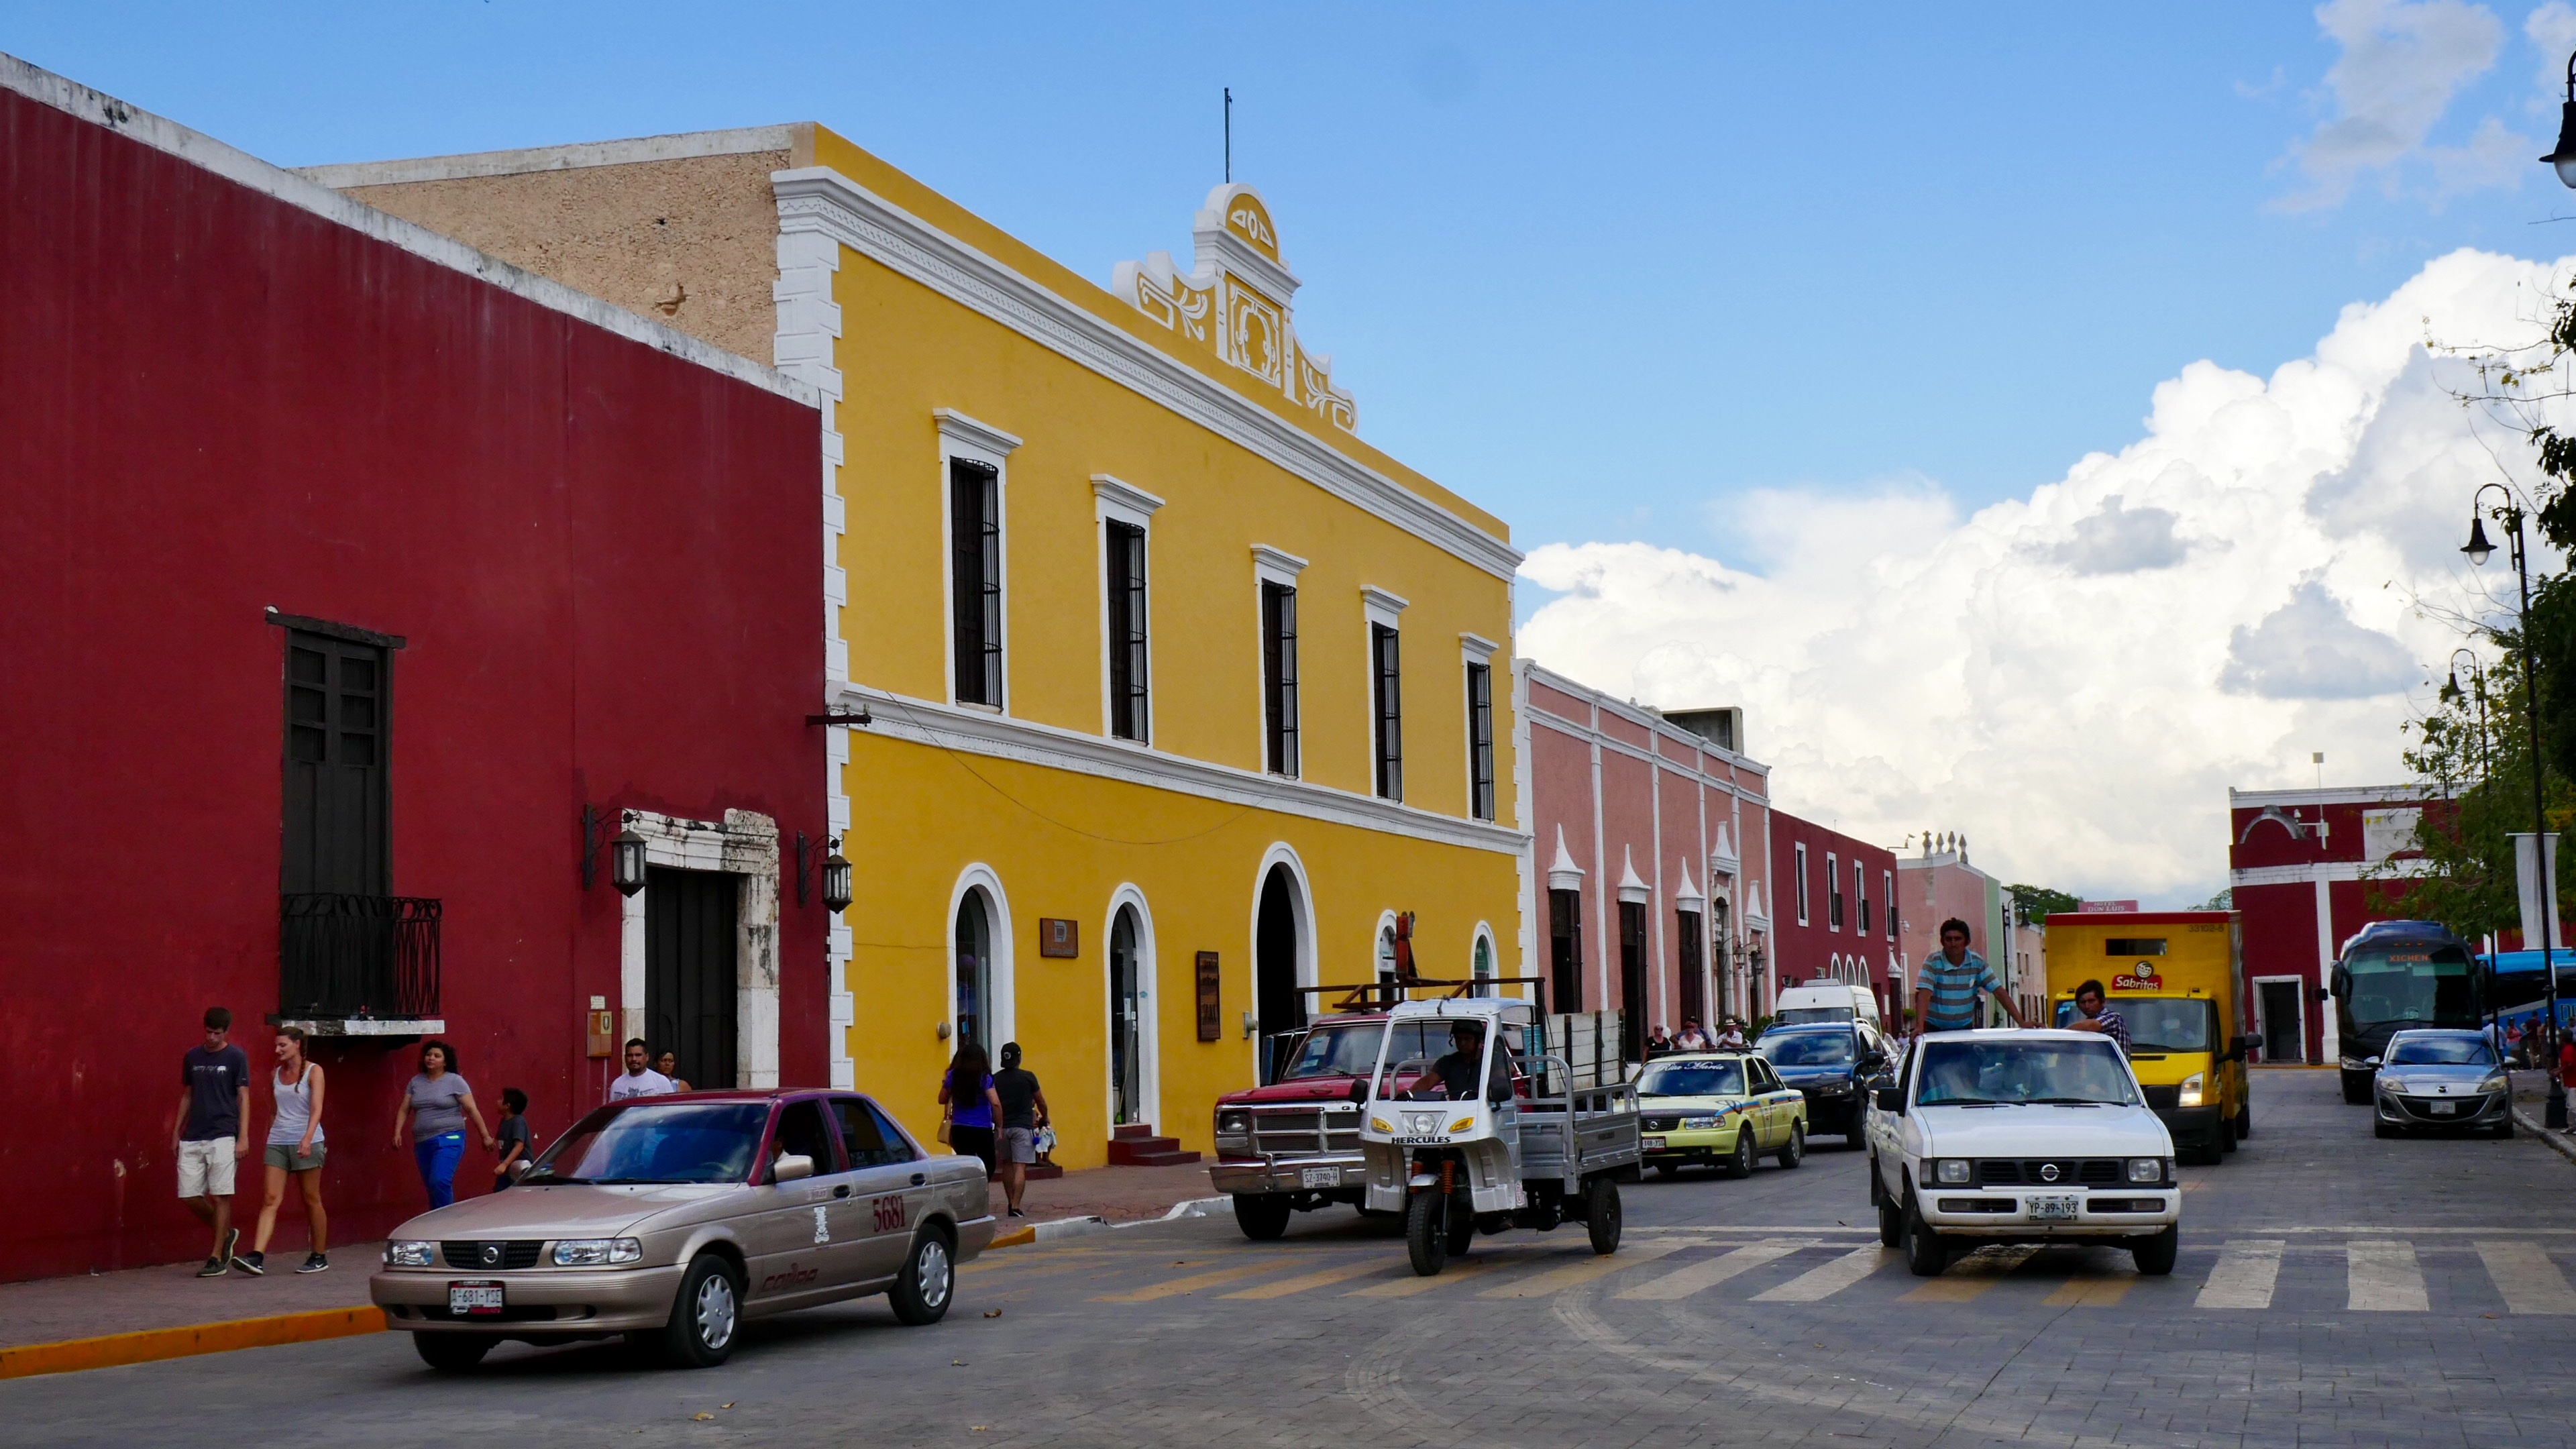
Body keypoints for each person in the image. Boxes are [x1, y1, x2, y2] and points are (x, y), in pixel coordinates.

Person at [175, 1006, 252, 1278]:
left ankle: (216, 1256)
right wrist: (176, 1132)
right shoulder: (192, 1056)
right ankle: (227, 1233)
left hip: (223, 1133)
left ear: (226, 1032)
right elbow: (187, 1095)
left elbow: (243, 1097)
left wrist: (243, 1136)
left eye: (217, 1034)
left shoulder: (236, 1057)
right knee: (189, 1195)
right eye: (208, 1032)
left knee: (221, 1195)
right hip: (194, 1134)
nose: (211, 1038)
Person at [245, 1025, 328, 1275]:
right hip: (278, 1141)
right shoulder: (275, 1075)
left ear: (297, 1045)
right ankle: (257, 1256)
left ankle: (319, 1254)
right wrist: (268, 1138)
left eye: (282, 1045)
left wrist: (308, 1138)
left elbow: (317, 1109)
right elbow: (273, 1111)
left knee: (311, 1199)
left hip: (307, 1141)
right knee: (270, 1199)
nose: (277, 1049)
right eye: (277, 1045)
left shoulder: (315, 1071)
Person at [392, 1040, 492, 1210]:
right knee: (432, 1186)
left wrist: (486, 1136)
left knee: (439, 1180)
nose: (431, 1058)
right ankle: (436, 1225)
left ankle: (447, 1221)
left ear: (445, 1062)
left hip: (449, 1138)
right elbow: (404, 1109)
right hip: (422, 1142)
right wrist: (397, 1132)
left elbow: (472, 1110)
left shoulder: (455, 1081)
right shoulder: (416, 1082)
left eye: (437, 1056)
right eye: (429, 1055)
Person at [1911, 918, 2027, 1037]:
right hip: (1933, 1029)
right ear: (1942, 941)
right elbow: (1924, 994)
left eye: (1958, 939)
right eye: (1949, 939)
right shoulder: (1933, 962)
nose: (1953, 943)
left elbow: (1999, 992)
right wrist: (1919, 1026)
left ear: (1966, 941)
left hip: (1964, 1029)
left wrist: (2021, 1022)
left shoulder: (1977, 962)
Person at [991, 1042, 1050, 1220]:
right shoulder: (1028, 1077)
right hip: (1022, 1128)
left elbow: (992, 1103)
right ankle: (1016, 1206)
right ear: (1019, 1058)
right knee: (1020, 1167)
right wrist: (1044, 1117)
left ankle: (1010, 1202)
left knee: (1007, 1165)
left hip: (1002, 1129)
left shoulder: (995, 1079)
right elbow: (1041, 1102)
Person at [938, 1042, 1004, 1181]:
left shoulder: (953, 1076)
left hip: (960, 1128)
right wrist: (999, 1125)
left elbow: (942, 1099)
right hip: (982, 1128)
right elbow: (996, 1103)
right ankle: (980, 1189)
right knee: (988, 1163)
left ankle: (967, 1192)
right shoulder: (985, 1078)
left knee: (965, 1164)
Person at [1404, 1020, 1508, 1102]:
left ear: (1479, 1039)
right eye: (1459, 1039)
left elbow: (1503, 1076)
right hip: (1456, 1112)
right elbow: (1428, 1081)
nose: (1462, 1043)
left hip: (1487, 1109)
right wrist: (1409, 1094)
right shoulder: (1447, 1062)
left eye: (1468, 1039)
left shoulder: (1490, 1059)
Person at [2060, 979, 2129, 1055]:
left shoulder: (2113, 1018)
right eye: (2083, 1002)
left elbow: (2088, 1025)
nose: (2087, 1006)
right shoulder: (2085, 1025)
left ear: (2103, 1001)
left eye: (2091, 1001)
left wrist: (2058, 1033)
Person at [491, 1088, 532, 1192]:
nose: (497, 1101)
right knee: (499, 1194)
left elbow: (519, 1145)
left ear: (508, 1106)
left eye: (501, 1099)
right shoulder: (504, 1121)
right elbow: (500, 1140)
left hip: (520, 1171)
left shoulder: (518, 1121)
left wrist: (504, 1165)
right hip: (507, 1171)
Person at [607, 1038, 675, 1101]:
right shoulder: (617, 1084)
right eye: (630, 1055)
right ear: (625, 1058)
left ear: (647, 1057)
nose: (634, 1059)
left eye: (638, 1055)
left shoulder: (661, 1082)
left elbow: (671, 1109)